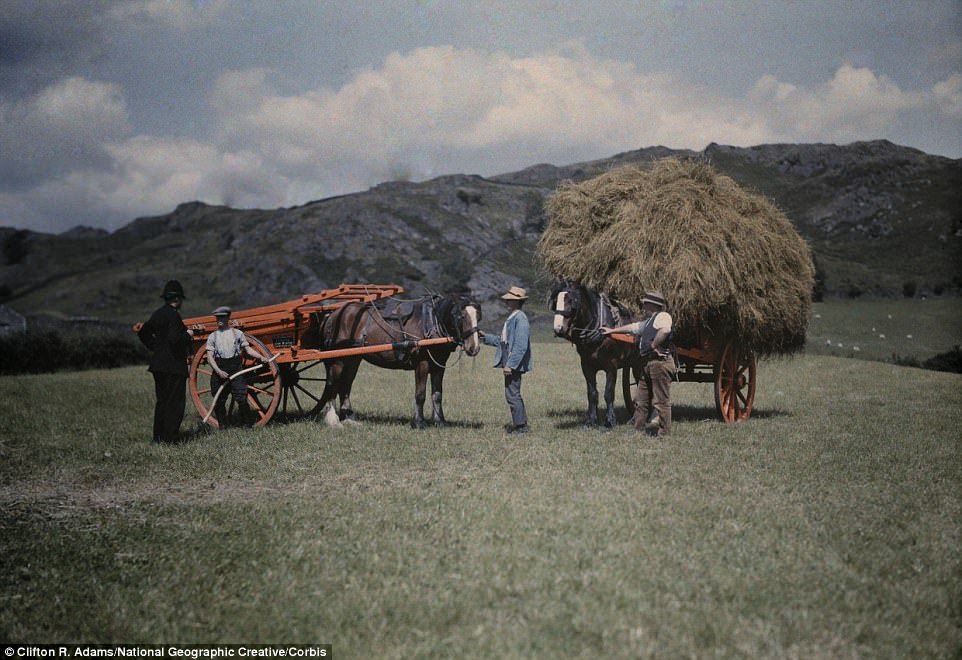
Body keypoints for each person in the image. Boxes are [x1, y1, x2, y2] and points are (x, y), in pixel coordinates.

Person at [602, 291, 675, 436]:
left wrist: (654, 345)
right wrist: (611, 330)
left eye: (646, 304)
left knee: (661, 401)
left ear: (653, 305)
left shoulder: (663, 316)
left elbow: (665, 330)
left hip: (659, 364)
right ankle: (638, 430)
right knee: (641, 401)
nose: (643, 307)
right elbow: (632, 328)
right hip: (647, 364)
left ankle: (664, 433)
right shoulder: (649, 321)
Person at [137, 280, 193, 443]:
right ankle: (170, 438)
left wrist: (157, 348)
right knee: (175, 403)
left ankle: (158, 438)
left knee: (162, 402)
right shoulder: (174, 315)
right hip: (173, 366)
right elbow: (175, 339)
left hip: (158, 365)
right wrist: (187, 335)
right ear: (178, 299)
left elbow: (143, 333)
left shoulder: (158, 314)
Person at [479, 286, 533, 434]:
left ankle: (521, 427)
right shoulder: (514, 317)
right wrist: (485, 337)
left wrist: (511, 365)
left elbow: (520, 346)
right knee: (512, 393)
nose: (507, 301)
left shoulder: (520, 318)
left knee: (512, 394)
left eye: (510, 300)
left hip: (513, 365)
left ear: (517, 302)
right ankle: (521, 424)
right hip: (511, 364)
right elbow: (503, 341)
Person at [206, 306, 267, 428]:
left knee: (241, 396)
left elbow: (248, 350)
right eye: (217, 317)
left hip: (235, 368)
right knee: (219, 399)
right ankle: (223, 426)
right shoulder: (213, 336)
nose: (220, 320)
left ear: (228, 317)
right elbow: (209, 357)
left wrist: (261, 357)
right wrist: (218, 371)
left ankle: (247, 425)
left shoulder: (237, 333)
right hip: (220, 368)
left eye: (222, 317)